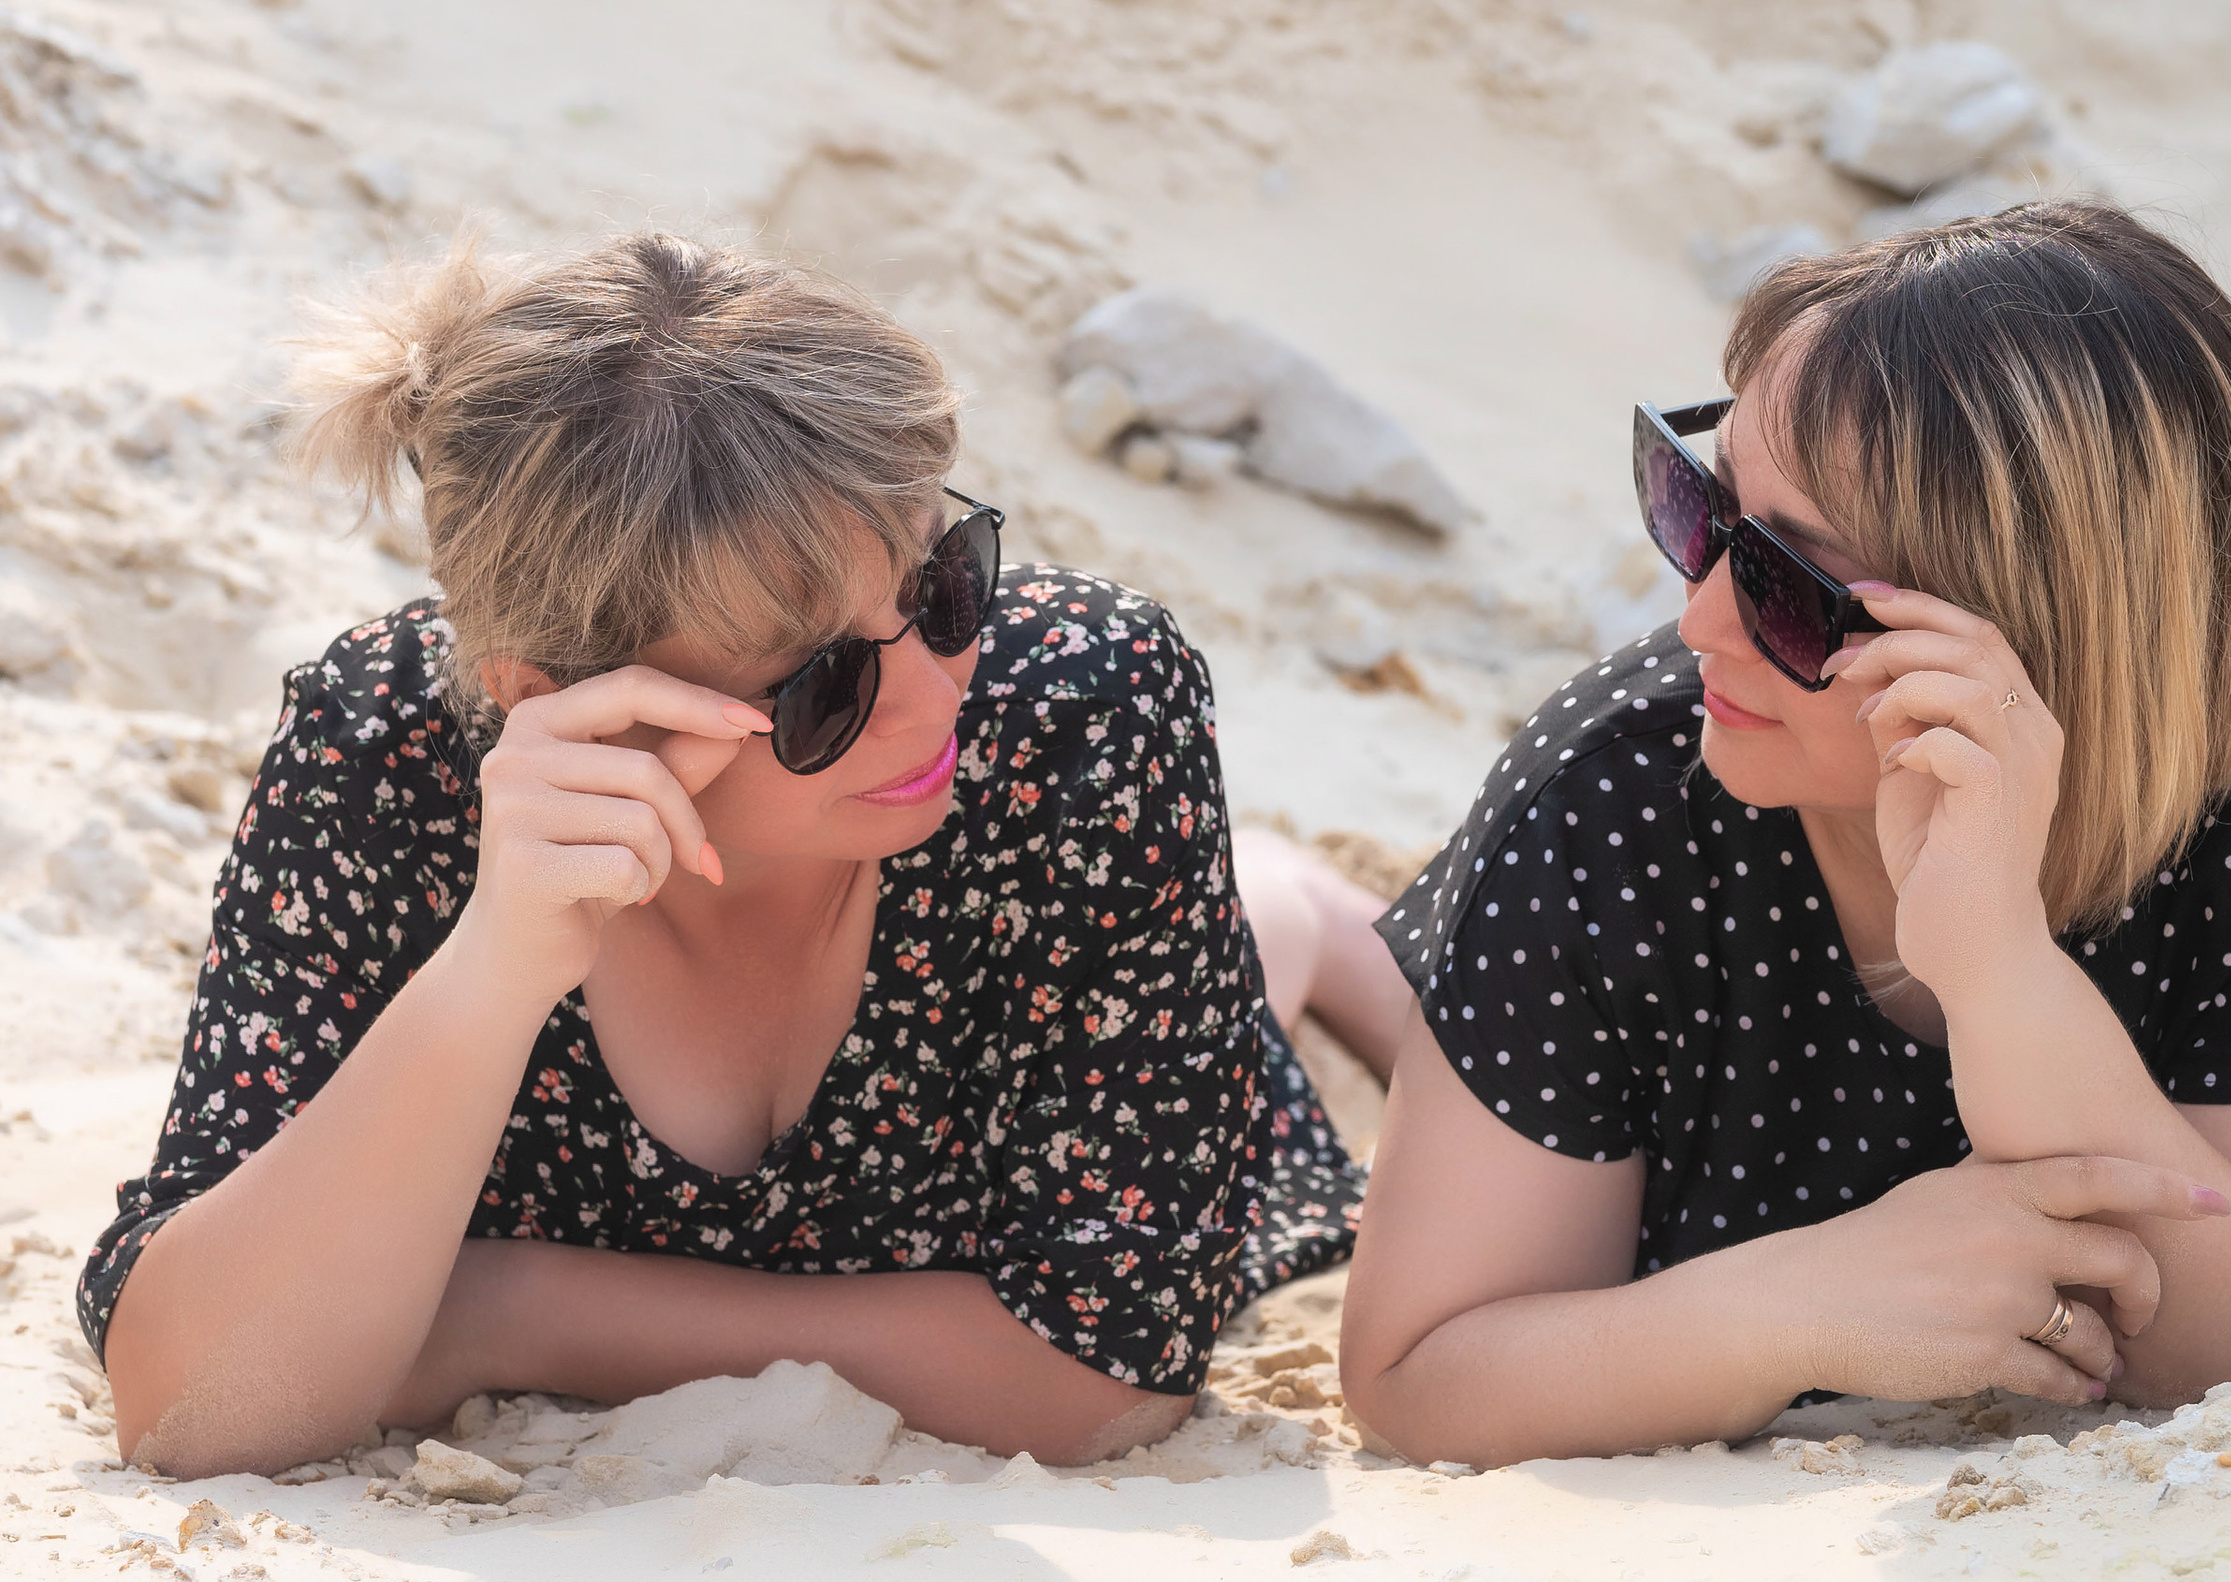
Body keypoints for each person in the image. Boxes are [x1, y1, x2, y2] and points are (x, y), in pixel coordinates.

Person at [86, 233, 1363, 1481]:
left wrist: (504, 1312)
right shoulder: (389, 755)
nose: (934, 701)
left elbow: (1104, 1377)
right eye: (825, 687)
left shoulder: (1069, 708)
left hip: (1166, 1017)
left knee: (1265, 942)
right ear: (552, 695)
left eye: (943, 591)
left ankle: (1297, 897)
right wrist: (496, 961)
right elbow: (196, 1411)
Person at [1340, 202, 2231, 1466]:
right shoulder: (1620, 786)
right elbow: (1415, 1374)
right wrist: (1803, 1305)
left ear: (2040, 631)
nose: (1701, 621)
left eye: (1786, 580)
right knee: (1333, 974)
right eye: (1697, 506)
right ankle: (1311, 934)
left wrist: (1994, 964)